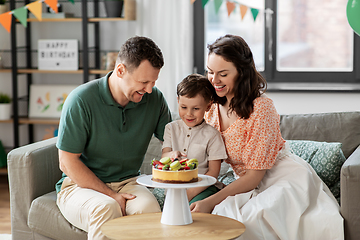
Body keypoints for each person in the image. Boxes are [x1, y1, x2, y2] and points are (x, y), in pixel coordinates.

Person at [190, 34, 344, 240]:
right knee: (223, 218)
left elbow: (254, 176)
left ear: (241, 73)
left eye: (223, 74)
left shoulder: (261, 108)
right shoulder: (211, 107)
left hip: (282, 178)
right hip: (244, 183)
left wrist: (211, 201)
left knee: (252, 218)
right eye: (210, 72)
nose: (214, 80)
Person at [55, 36, 172, 240]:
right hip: (79, 186)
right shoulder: (81, 100)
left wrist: (172, 157)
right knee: (107, 208)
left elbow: (170, 144)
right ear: (120, 70)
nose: (149, 89)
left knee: (149, 209)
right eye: (144, 82)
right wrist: (111, 195)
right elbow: (67, 163)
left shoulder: (155, 99)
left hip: (129, 182)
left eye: (153, 82)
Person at [161, 74, 228, 204]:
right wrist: (173, 154)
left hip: (203, 188)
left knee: (192, 210)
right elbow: (164, 155)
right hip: (175, 187)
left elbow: (213, 172)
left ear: (208, 106)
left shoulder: (213, 135)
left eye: (196, 108)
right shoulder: (170, 128)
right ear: (178, 101)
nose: (189, 114)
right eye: (184, 107)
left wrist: (190, 194)